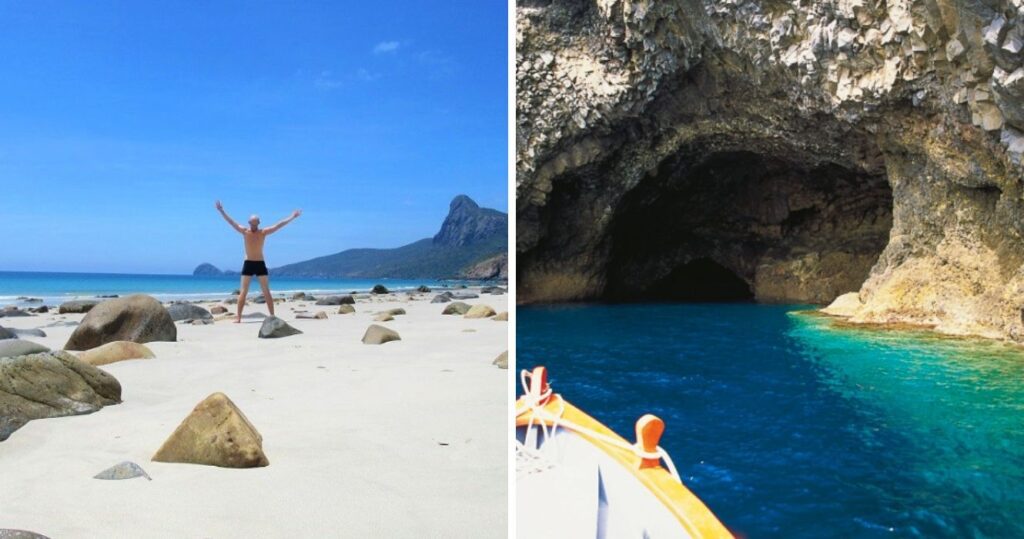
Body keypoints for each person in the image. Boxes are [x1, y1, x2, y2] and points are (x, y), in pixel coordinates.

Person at [215, 200, 301, 322]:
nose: (254, 226)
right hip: (248, 263)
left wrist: (292, 217)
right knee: (243, 292)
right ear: (249, 222)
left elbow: (278, 225)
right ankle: (238, 317)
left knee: (266, 291)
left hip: (260, 263)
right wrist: (221, 210)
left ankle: (272, 316)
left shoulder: (263, 232)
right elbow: (232, 222)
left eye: (256, 224)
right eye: (252, 224)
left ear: (259, 223)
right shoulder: (245, 231)